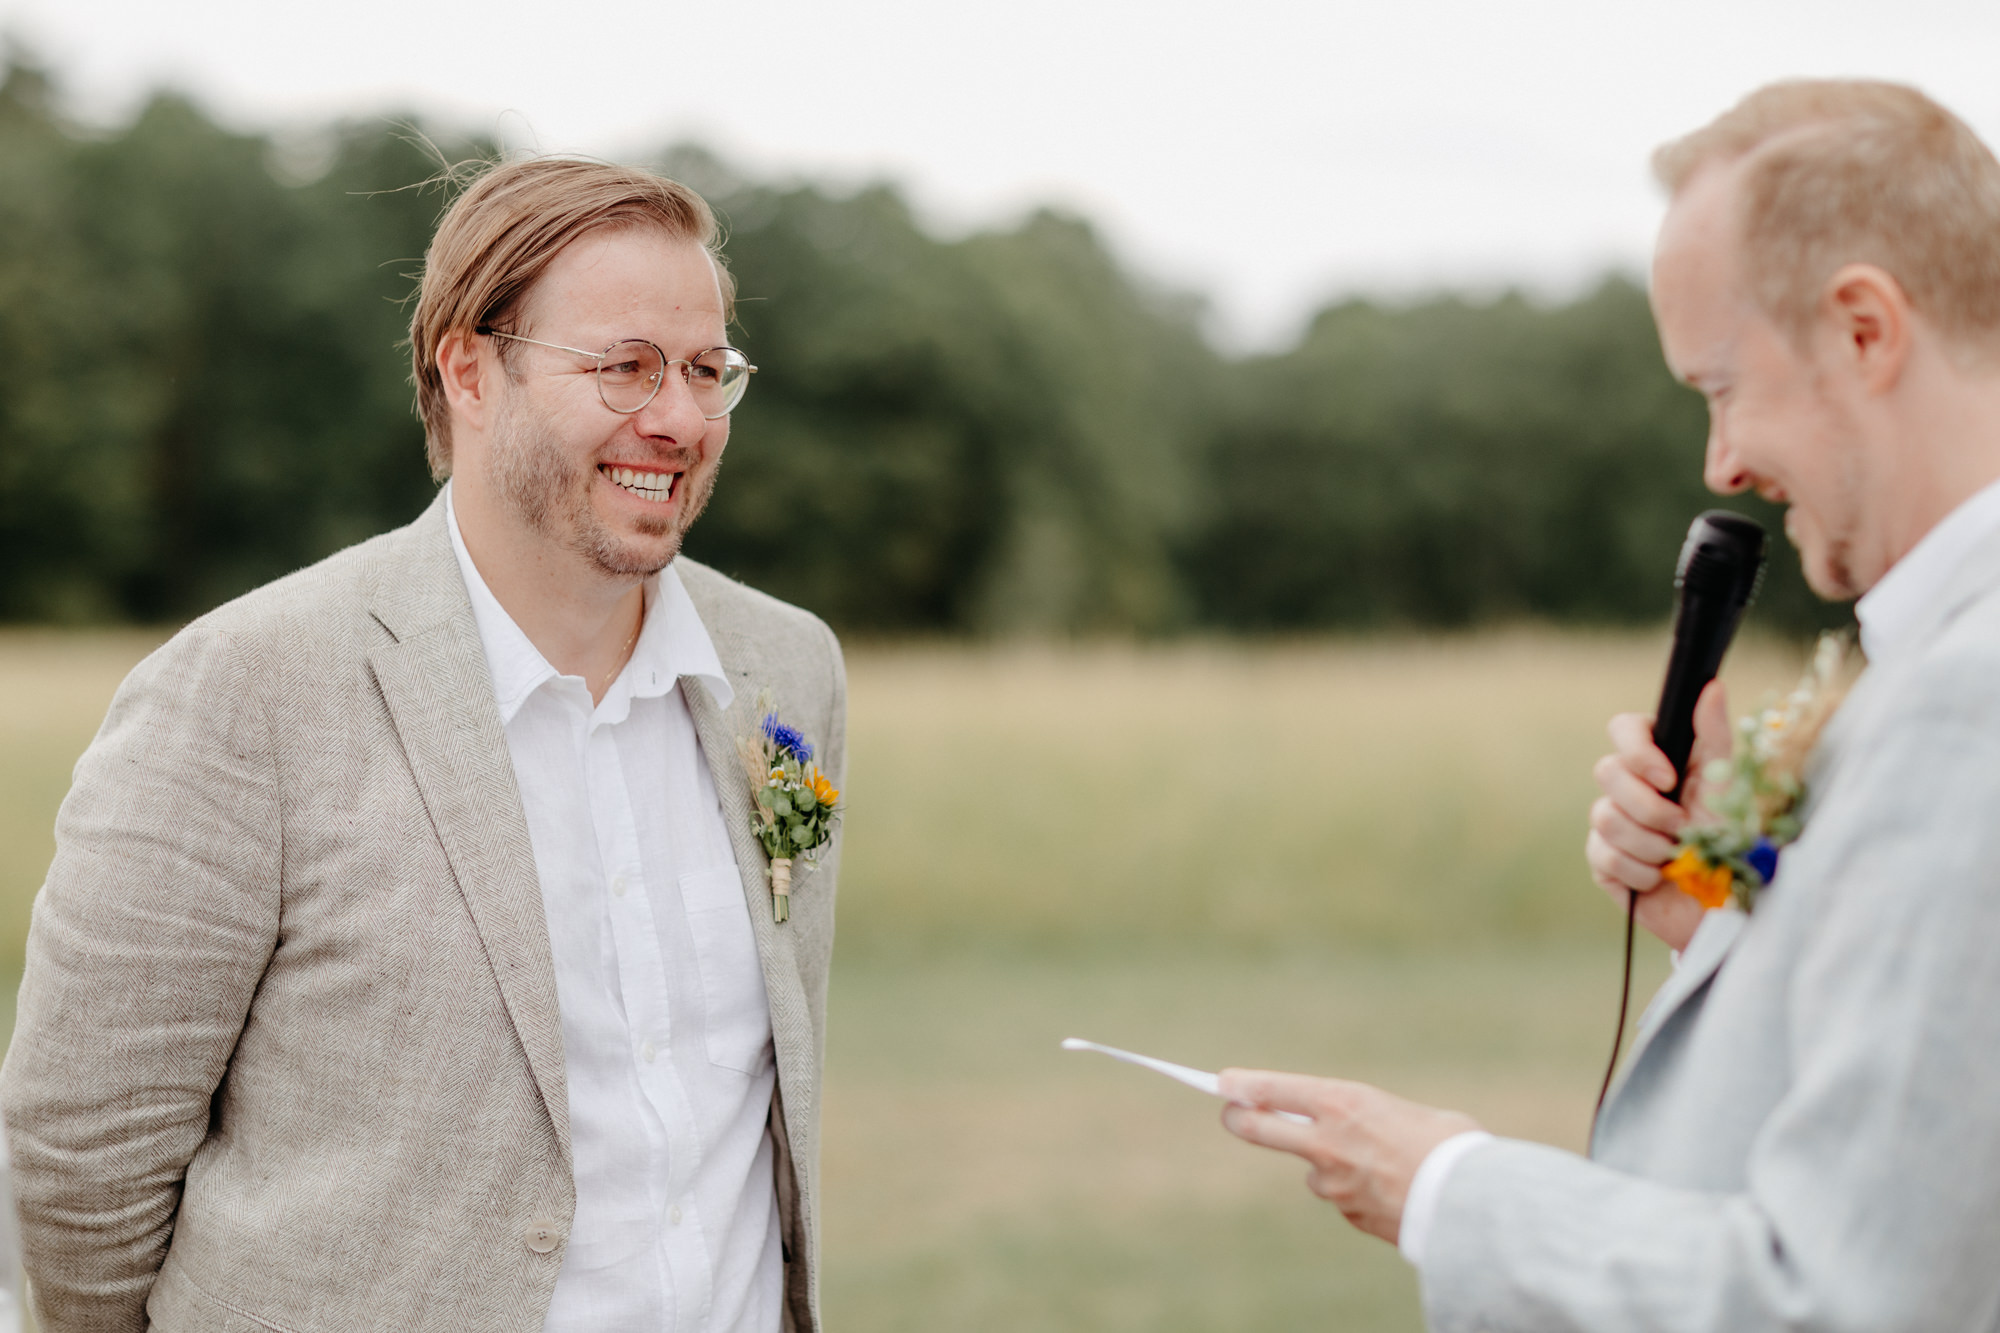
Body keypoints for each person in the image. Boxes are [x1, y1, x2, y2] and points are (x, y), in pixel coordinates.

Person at [0, 158, 845, 1332]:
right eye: (624, 366)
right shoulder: (245, 687)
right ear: (468, 369)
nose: (680, 419)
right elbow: (81, 1154)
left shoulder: (786, 670)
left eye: (707, 370)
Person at [1218, 79, 2000, 1329]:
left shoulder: (1968, 700)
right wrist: (1717, 917)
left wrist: (1444, 1188)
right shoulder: (1942, 662)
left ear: (1862, 331)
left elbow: (1843, 1299)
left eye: (1720, 387)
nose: (1720, 462)